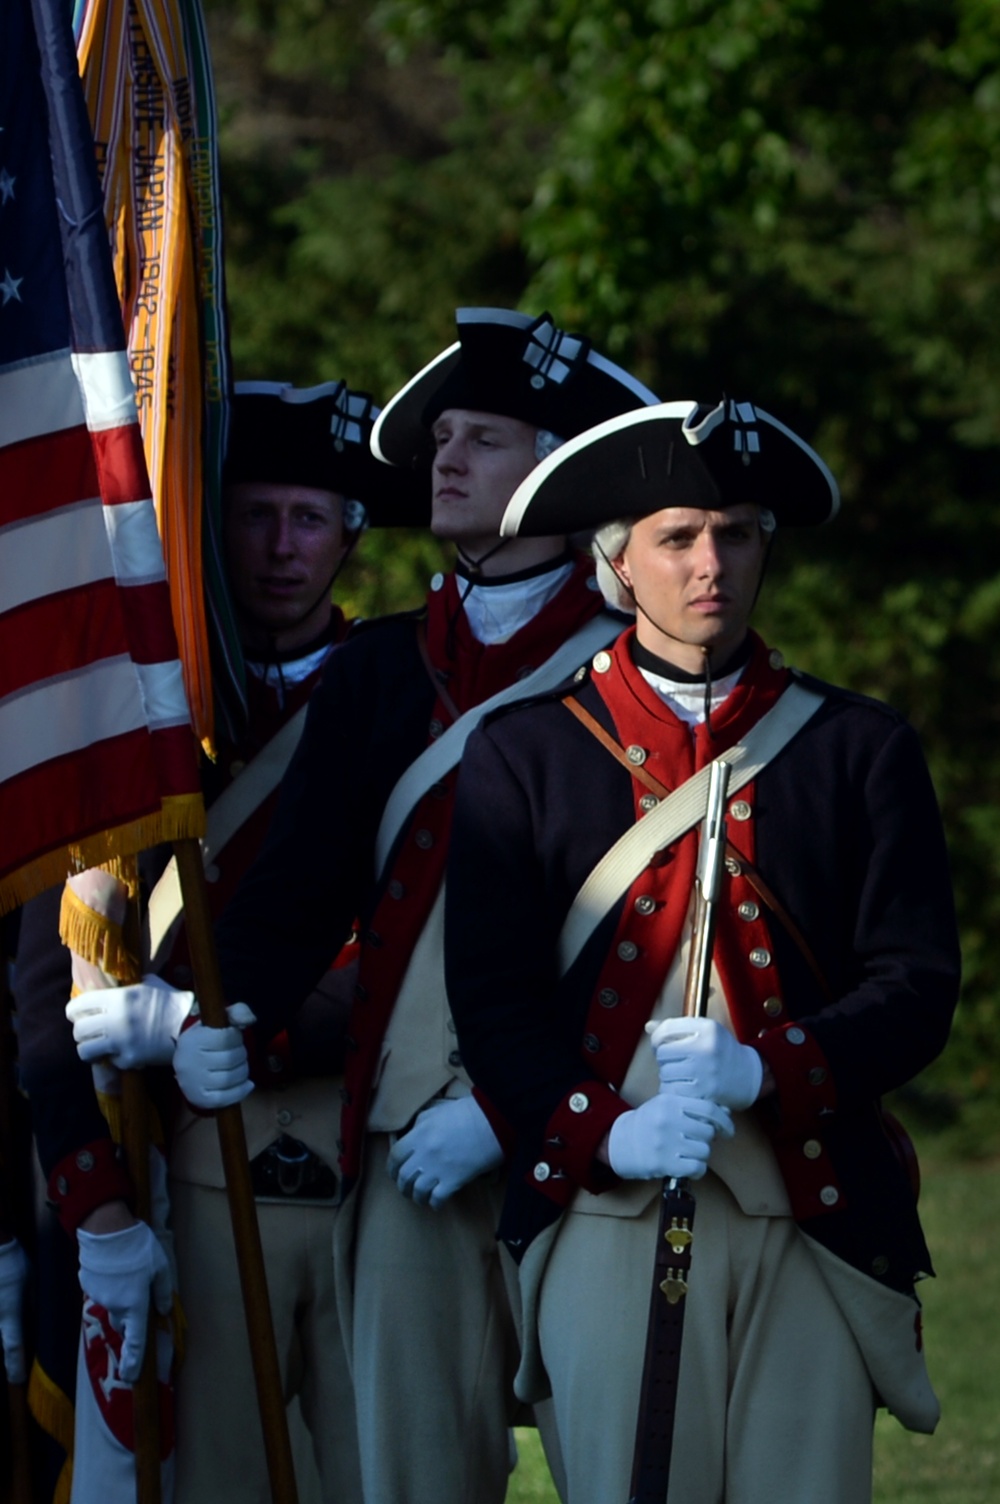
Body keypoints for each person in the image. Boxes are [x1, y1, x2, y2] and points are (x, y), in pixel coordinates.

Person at [443, 398, 961, 1504]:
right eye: (676, 536)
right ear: (615, 563)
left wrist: (771, 1068)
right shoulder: (523, 753)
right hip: (606, 1203)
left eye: (735, 532)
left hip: (809, 1210)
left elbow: (916, 986)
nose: (709, 562)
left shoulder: (857, 746)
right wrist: (607, 1131)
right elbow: (491, 1003)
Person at [189, 308, 658, 1504]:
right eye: (443, 435)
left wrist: (515, 1111)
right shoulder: (384, 668)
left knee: (630, 1468)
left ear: (560, 472)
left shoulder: (633, 675)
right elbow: (301, 883)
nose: (445, 459)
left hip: (590, 1129)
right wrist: (226, 1010)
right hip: (403, 1141)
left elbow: (645, 940)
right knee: (409, 1479)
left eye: (486, 438)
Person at [20, 378, 420, 1504]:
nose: (280, 546)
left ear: (350, 534)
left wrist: (244, 1024)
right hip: (157, 1140)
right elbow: (47, 962)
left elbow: (410, 920)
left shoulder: (400, 694)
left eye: (310, 517)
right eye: (254, 513)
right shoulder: (137, 710)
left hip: (341, 1121)